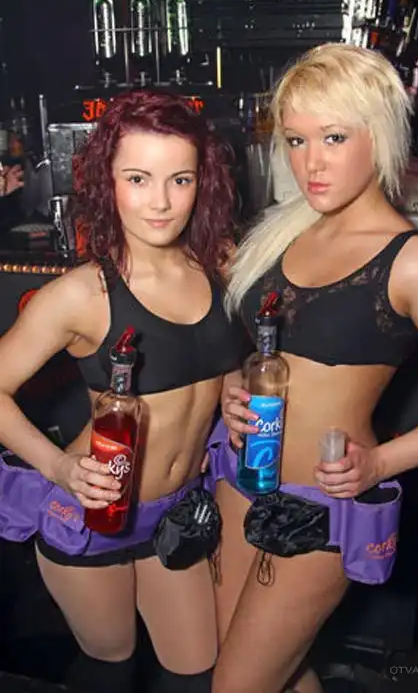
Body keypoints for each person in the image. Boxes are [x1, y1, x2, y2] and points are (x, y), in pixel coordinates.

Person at [208, 43, 418, 693]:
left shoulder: (412, 263)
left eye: (333, 137)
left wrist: (381, 463)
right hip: (241, 478)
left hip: (320, 507)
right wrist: (234, 387)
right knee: (270, 669)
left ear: (378, 136)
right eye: (296, 140)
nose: (310, 162)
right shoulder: (285, 231)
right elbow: (253, 347)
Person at [0, 90, 246, 693]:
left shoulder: (222, 264)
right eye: (138, 178)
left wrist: (234, 396)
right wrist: (59, 466)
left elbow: (220, 364)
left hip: (176, 515)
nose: (160, 202)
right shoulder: (83, 294)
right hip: (91, 519)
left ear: (203, 182)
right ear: (107, 182)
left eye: (180, 179)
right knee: (111, 669)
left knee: (198, 672)